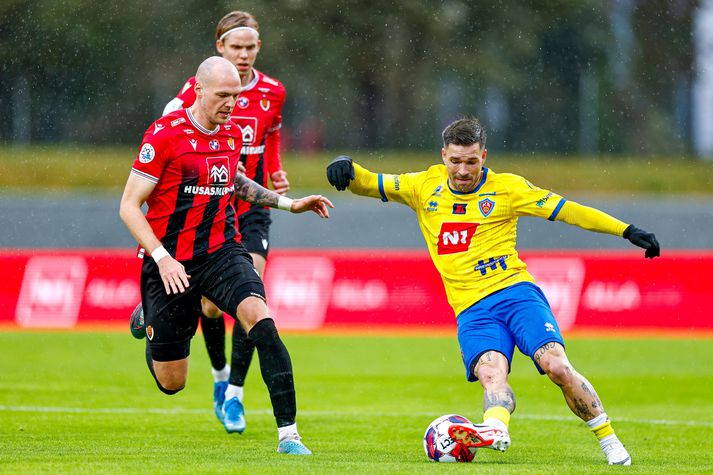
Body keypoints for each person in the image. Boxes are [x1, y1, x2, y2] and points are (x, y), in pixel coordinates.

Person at [326, 117, 660, 466]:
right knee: (492, 375)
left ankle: (609, 441)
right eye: (455, 161)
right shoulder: (423, 186)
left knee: (556, 366)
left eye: (471, 161)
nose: (463, 170)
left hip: (516, 294)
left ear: (483, 156)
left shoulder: (507, 189)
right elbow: (370, 183)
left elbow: (569, 211)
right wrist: (346, 168)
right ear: (444, 156)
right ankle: (495, 428)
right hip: (473, 310)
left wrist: (626, 230)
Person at [120, 56, 333, 455]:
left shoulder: (231, 134)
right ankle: (150, 317)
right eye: (223, 95)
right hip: (170, 262)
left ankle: (289, 435)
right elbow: (129, 206)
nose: (231, 104)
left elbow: (232, 180)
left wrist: (289, 203)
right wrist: (162, 258)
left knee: (262, 321)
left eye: (236, 96)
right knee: (172, 383)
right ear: (198, 90)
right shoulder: (164, 135)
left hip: (222, 251)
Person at [160, 11, 289, 434]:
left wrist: (276, 173)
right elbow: (167, 132)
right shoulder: (199, 89)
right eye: (236, 47)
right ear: (221, 48)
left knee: (253, 295)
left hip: (251, 206)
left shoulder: (273, 92)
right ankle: (219, 376)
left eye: (251, 47)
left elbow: (269, 137)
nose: (244, 54)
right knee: (211, 305)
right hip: (210, 202)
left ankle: (235, 392)